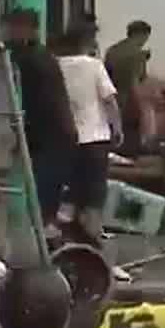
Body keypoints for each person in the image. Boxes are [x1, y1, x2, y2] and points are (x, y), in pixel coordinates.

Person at [2, 9, 77, 229]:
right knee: (44, 191)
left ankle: (46, 239)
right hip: (49, 134)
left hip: (51, 135)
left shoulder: (34, 58)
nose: (6, 33)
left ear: (26, 30)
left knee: (45, 192)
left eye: (11, 28)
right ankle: (45, 236)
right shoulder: (39, 56)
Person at [53, 22, 121, 247]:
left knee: (71, 189)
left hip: (67, 139)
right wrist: (117, 128)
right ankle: (90, 241)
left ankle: (65, 237)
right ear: (87, 42)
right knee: (94, 194)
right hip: (96, 138)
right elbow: (109, 100)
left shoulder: (57, 66)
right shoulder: (94, 66)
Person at [104, 21, 152, 152]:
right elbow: (138, 80)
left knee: (113, 131)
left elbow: (106, 74)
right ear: (141, 34)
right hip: (129, 99)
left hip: (112, 97)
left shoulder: (112, 50)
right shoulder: (138, 54)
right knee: (130, 135)